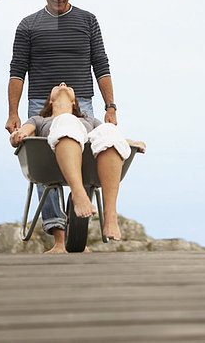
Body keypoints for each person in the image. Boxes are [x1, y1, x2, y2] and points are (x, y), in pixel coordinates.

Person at [5, 0, 119, 252]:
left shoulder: (87, 21)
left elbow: (101, 65)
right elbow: (17, 71)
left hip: (82, 105)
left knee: (85, 165)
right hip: (41, 105)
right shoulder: (28, 25)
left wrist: (111, 106)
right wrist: (14, 113)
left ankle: (78, 235)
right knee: (48, 172)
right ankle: (58, 240)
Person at [10, 83, 146, 253]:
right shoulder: (38, 120)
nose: (62, 84)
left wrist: (131, 144)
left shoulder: (89, 120)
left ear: (75, 102)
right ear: (50, 102)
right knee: (66, 120)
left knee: (109, 129)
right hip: (50, 162)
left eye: (67, 86)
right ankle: (79, 192)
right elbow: (22, 133)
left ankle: (111, 215)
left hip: (88, 161)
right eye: (56, 86)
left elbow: (109, 137)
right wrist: (18, 136)